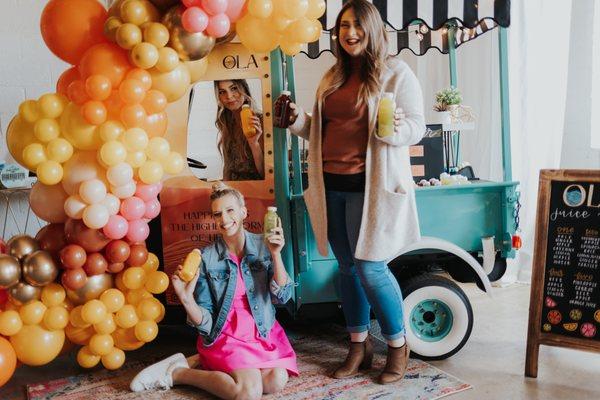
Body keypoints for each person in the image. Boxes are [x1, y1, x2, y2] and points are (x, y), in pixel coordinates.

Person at [286, 0, 425, 385]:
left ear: (373, 29)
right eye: (344, 26)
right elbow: (320, 129)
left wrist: (397, 128)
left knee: (370, 267)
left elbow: (417, 126)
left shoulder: (397, 73)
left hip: (372, 189)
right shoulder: (331, 75)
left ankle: (397, 345)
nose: (350, 33)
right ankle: (358, 346)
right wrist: (297, 120)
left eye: (357, 26)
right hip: (331, 185)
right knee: (347, 267)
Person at [130, 182, 298, 399]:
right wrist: (185, 298)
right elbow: (207, 321)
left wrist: (276, 254)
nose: (225, 220)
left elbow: (283, 296)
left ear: (243, 212)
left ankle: (208, 363)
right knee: (248, 392)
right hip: (227, 334)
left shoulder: (264, 245)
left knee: (276, 381)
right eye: (218, 214)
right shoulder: (206, 258)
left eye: (230, 211)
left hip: (262, 330)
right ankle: (179, 373)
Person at [214, 79, 265, 181]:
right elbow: (228, 167)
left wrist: (253, 143)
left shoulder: (259, 120)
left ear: (244, 89)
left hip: (255, 190)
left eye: (234, 88)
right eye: (222, 92)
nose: (229, 96)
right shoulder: (226, 122)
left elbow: (265, 173)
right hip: (233, 190)